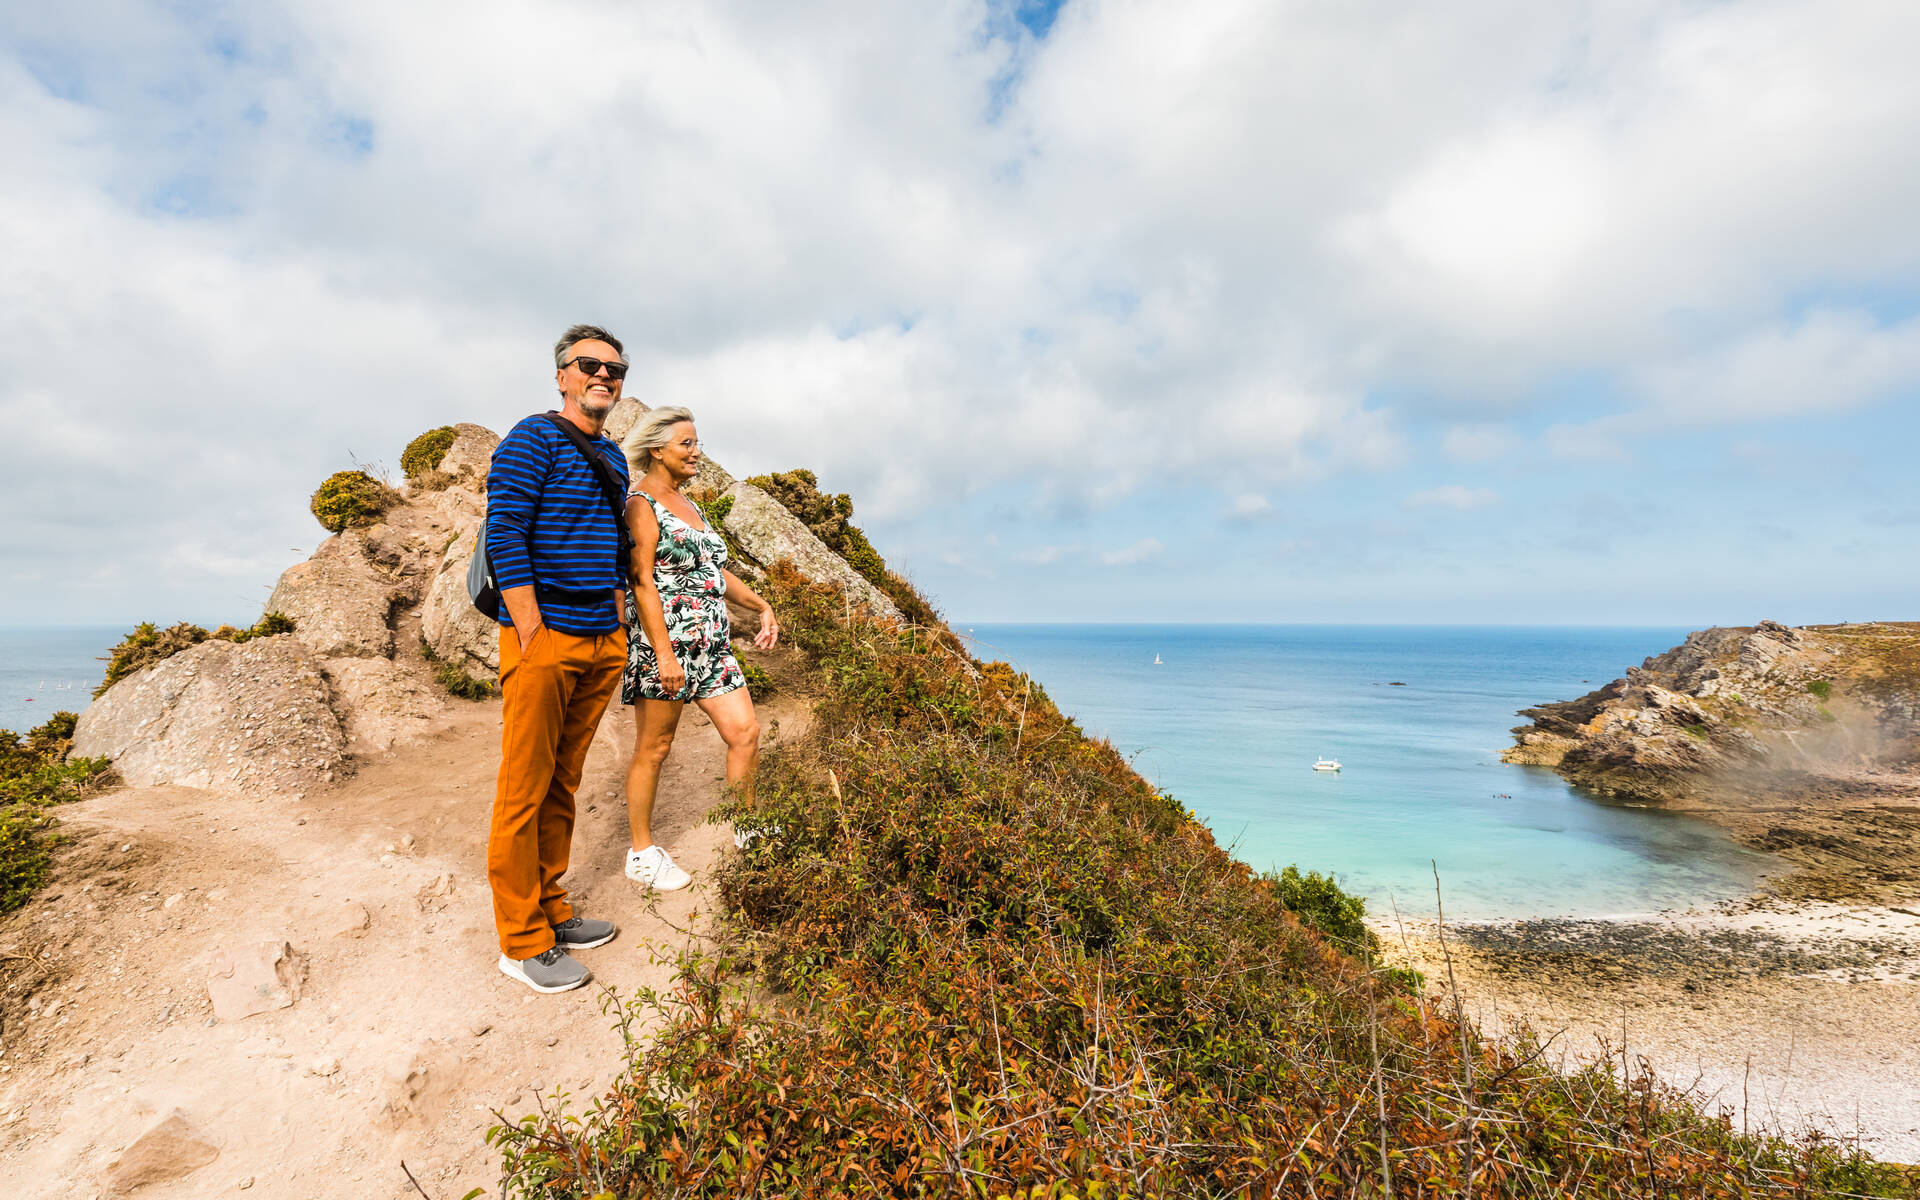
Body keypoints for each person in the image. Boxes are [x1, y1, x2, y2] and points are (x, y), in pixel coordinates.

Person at [483, 324, 633, 994]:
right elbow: (505, 533)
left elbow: (616, 548)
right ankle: (519, 944)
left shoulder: (619, 459)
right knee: (523, 790)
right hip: (545, 641)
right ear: (563, 375)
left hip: (602, 640)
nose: (604, 375)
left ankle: (550, 909)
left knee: (561, 783)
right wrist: (532, 632)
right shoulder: (533, 438)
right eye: (590, 365)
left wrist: (620, 626)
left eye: (616, 368)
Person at [618, 406, 779, 890]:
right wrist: (664, 655)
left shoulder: (690, 504)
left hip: (713, 646)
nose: (696, 452)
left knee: (745, 733)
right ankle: (642, 853)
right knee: (655, 747)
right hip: (665, 647)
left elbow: (713, 569)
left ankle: (747, 827)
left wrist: (761, 605)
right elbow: (642, 580)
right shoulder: (641, 503)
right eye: (686, 444)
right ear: (656, 450)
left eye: (697, 442)